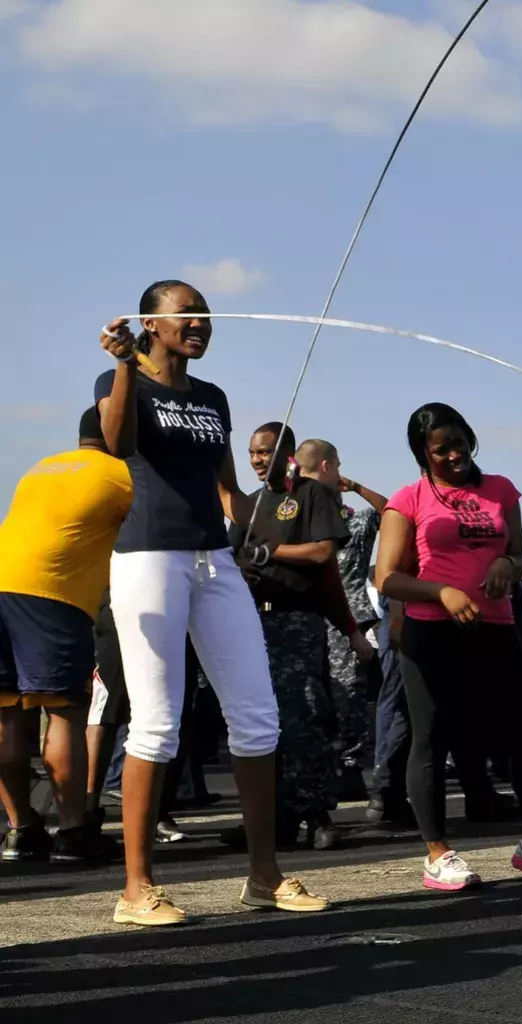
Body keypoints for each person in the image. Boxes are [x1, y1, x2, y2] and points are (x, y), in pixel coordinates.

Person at [94, 280, 329, 925]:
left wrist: (252, 534)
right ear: (151, 324)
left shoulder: (213, 397)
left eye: (205, 316)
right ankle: (135, 889)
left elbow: (227, 486)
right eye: (186, 316)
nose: (200, 325)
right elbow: (115, 447)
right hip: (148, 557)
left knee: (258, 717)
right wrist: (121, 363)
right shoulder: (123, 380)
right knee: (157, 722)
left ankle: (264, 877)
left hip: (213, 560)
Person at [373, 402, 522, 891]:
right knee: (431, 740)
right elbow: (388, 578)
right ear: (422, 455)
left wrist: (508, 565)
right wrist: (441, 592)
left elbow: (519, 550)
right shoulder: (407, 500)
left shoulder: (500, 490)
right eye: (440, 448)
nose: (454, 454)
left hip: (496, 627)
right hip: (433, 632)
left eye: (459, 441)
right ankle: (438, 853)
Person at [226, 422, 367, 851]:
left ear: (286, 454)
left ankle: (317, 814)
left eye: (265, 452)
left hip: (297, 620)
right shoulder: (247, 505)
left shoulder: (311, 494)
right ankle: (274, 816)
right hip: (251, 621)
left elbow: (324, 556)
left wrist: (350, 628)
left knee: (304, 716)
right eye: (251, 453)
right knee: (259, 723)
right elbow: (232, 558)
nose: (256, 460)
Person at [0, 407, 131, 865]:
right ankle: (73, 831)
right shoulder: (121, 474)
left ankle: (20, 831)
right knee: (64, 713)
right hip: (52, 595)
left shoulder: (42, 467)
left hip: (3, 583)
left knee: (6, 711)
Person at [294, 440, 386, 803]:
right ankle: (323, 766)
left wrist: (356, 487)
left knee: (348, 697)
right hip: (307, 619)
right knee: (314, 699)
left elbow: (390, 510)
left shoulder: (354, 522)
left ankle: (350, 768)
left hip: (350, 618)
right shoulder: (299, 518)